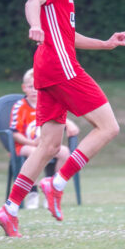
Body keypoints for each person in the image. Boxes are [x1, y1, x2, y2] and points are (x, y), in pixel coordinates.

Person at [0, 0, 125, 237]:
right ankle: (56, 183)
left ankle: (10, 208)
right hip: (61, 69)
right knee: (109, 127)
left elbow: (70, 36)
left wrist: (105, 44)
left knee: (49, 146)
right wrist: (33, 25)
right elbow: (32, 3)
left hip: (46, 71)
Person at [10, 68, 80, 209]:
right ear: (24, 88)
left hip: (46, 145)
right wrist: (32, 142)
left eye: (37, 87)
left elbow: (58, 116)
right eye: (31, 87)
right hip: (25, 146)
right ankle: (32, 193)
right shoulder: (19, 106)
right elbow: (15, 133)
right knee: (33, 152)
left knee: (65, 152)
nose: (35, 90)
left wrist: (69, 123)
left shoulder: (46, 103)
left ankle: (52, 189)